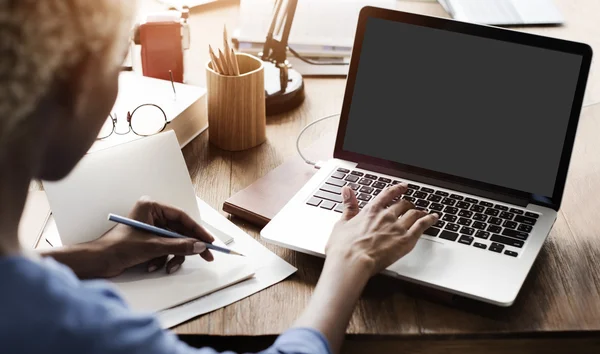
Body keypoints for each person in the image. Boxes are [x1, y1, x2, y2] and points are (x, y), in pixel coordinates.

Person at [0, 1, 437, 354]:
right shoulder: (77, 328)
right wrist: (348, 261)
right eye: (117, 66)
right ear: (71, 88)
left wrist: (91, 255)